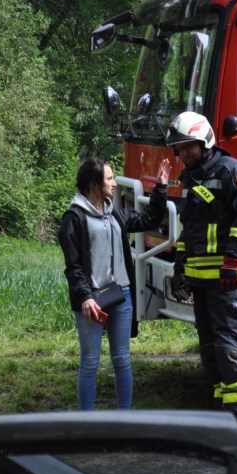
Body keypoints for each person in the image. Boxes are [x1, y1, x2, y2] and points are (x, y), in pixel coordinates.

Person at [167, 111, 237, 433]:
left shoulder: (232, 171)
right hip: (202, 283)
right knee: (211, 356)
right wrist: (180, 269)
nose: (182, 154)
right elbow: (189, 230)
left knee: (230, 351)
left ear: (204, 141)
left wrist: (233, 262)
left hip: (229, 283)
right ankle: (223, 418)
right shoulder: (189, 180)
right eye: (179, 149)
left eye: (187, 147)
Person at [59, 157, 170, 410]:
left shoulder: (115, 212)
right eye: (109, 178)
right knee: (90, 362)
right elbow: (73, 266)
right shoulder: (74, 218)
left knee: (122, 359)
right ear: (94, 183)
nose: (114, 183)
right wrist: (85, 297)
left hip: (122, 296)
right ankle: (88, 422)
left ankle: (124, 419)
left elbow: (149, 220)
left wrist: (161, 187)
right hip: (91, 302)